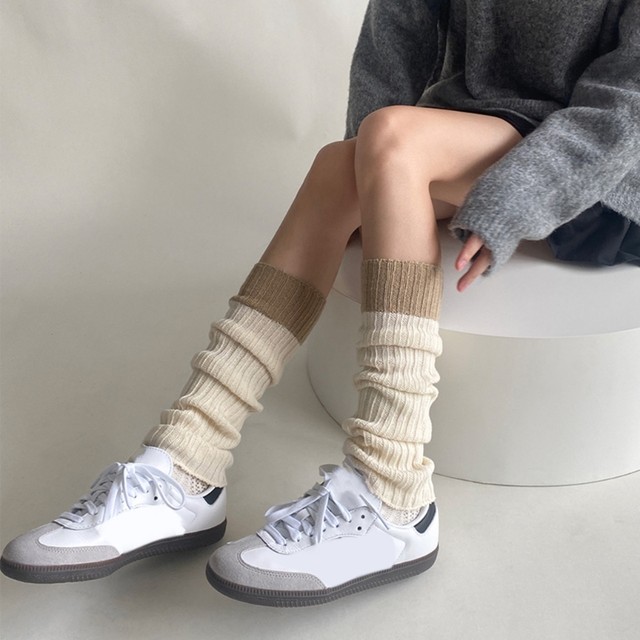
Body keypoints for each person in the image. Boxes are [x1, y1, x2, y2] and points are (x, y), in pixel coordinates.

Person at [2, 0, 638, 607]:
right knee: (342, 164)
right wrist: (372, 180)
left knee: (393, 136)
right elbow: (398, 38)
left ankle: (393, 489)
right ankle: (187, 460)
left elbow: (628, 101)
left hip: (609, 170)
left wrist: (521, 195)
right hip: (485, 131)